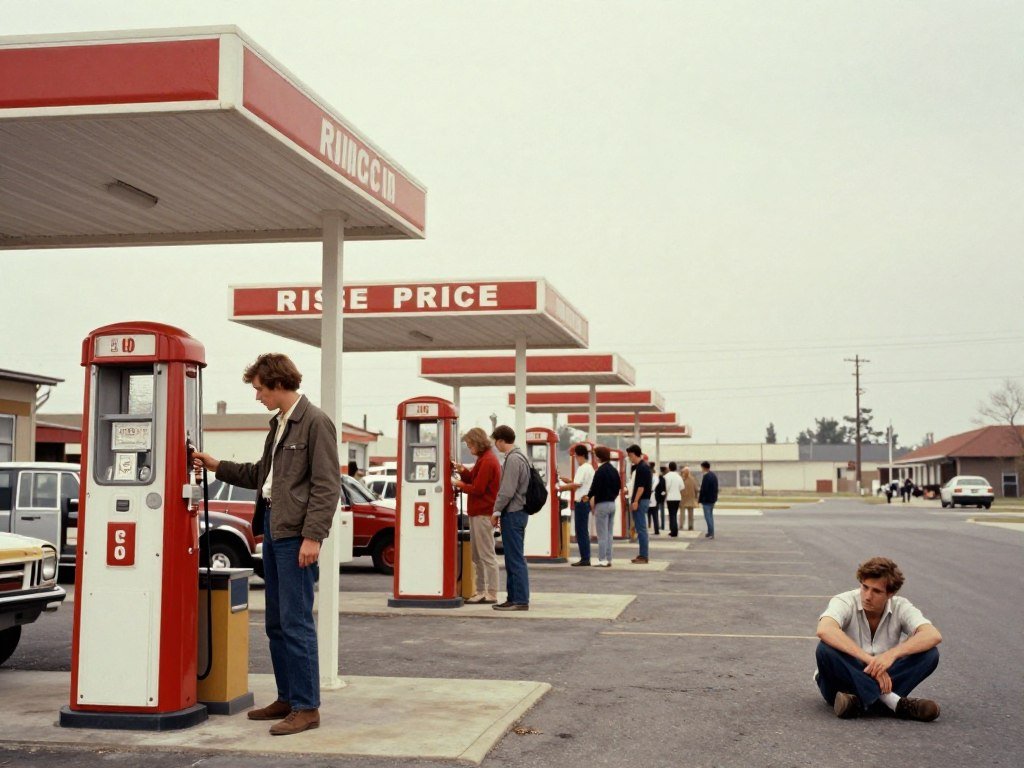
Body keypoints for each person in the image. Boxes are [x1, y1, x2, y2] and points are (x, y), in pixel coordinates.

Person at [192, 353, 339, 736]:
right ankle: (288, 698)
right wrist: (216, 465)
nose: (257, 396)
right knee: (276, 622)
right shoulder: (279, 425)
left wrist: (313, 536)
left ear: (276, 383)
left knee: (296, 622)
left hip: (296, 535)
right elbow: (262, 475)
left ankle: (307, 708)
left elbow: (327, 486)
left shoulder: (315, 422)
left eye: (259, 388)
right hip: (273, 528)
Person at [815, 556, 942, 722]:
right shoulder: (845, 600)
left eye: (876, 591)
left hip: (860, 688)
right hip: (840, 681)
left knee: (930, 654)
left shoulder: (901, 606)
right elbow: (824, 629)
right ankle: (893, 702)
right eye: (864, 587)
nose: (867, 596)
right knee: (825, 649)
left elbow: (933, 635)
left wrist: (891, 655)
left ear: (890, 593)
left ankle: (858, 703)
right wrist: (869, 660)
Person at [453, 427, 501, 603]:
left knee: (486, 555)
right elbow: (473, 478)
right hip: (478, 513)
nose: (468, 447)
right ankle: (481, 590)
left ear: (477, 443)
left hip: (483, 513)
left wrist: (458, 483)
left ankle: (492, 592)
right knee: (477, 555)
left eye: (469, 444)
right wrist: (462, 471)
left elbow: (478, 488)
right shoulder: (484, 459)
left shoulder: (487, 461)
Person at [490, 425, 531, 611]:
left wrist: (496, 511)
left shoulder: (513, 459)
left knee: (514, 559)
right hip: (518, 513)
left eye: (495, 442)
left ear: (500, 440)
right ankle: (513, 597)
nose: (495, 446)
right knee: (513, 558)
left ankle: (520, 599)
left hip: (513, 513)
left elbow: (506, 491)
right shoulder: (521, 456)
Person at [558, 444, 595, 566]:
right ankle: (585, 557)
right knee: (583, 530)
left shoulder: (582, 468)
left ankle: (585, 558)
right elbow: (578, 484)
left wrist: (560, 488)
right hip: (585, 502)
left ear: (579, 456)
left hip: (581, 503)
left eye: (575, 457)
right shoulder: (589, 468)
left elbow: (576, 485)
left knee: (581, 531)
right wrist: (567, 481)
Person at [590, 445, 621, 567]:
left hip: (601, 505)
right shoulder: (614, 470)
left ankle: (602, 559)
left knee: (601, 534)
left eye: (594, 455)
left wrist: (588, 496)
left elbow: (595, 488)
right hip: (612, 504)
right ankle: (609, 558)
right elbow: (618, 486)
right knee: (609, 533)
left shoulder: (600, 471)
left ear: (598, 457)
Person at [626, 445, 652, 564]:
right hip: (641, 500)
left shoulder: (642, 468)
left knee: (641, 529)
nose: (629, 458)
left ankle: (643, 556)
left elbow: (641, 487)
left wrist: (636, 501)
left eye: (630, 456)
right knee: (640, 528)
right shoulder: (641, 467)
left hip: (641, 500)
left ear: (634, 454)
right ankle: (642, 554)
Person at [698, 460, 718, 539]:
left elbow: (704, 489)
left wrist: (700, 499)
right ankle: (710, 532)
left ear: (704, 467)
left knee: (708, 517)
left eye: (702, 468)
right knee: (710, 516)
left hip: (707, 500)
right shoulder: (713, 475)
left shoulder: (706, 476)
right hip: (712, 499)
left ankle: (711, 533)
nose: (701, 469)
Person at [663, 461, 683, 536]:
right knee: (674, 513)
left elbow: (666, 487)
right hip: (677, 497)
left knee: (671, 514)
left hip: (670, 497)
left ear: (669, 468)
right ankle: (675, 530)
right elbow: (682, 487)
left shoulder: (666, 476)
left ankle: (673, 531)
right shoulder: (678, 476)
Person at [680, 466, 699, 532]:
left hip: (683, 499)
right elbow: (696, 489)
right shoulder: (693, 479)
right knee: (690, 514)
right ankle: (690, 526)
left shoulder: (682, 479)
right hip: (690, 499)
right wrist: (696, 497)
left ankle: (681, 525)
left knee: (682, 514)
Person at [649, 465, 666, 535]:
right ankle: (656, 530)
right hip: (655, 499)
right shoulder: (657, 478)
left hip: (649, 499)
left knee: (648, 515)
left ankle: (650, 528)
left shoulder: (651, 478)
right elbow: (662, 489)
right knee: (655, 515)